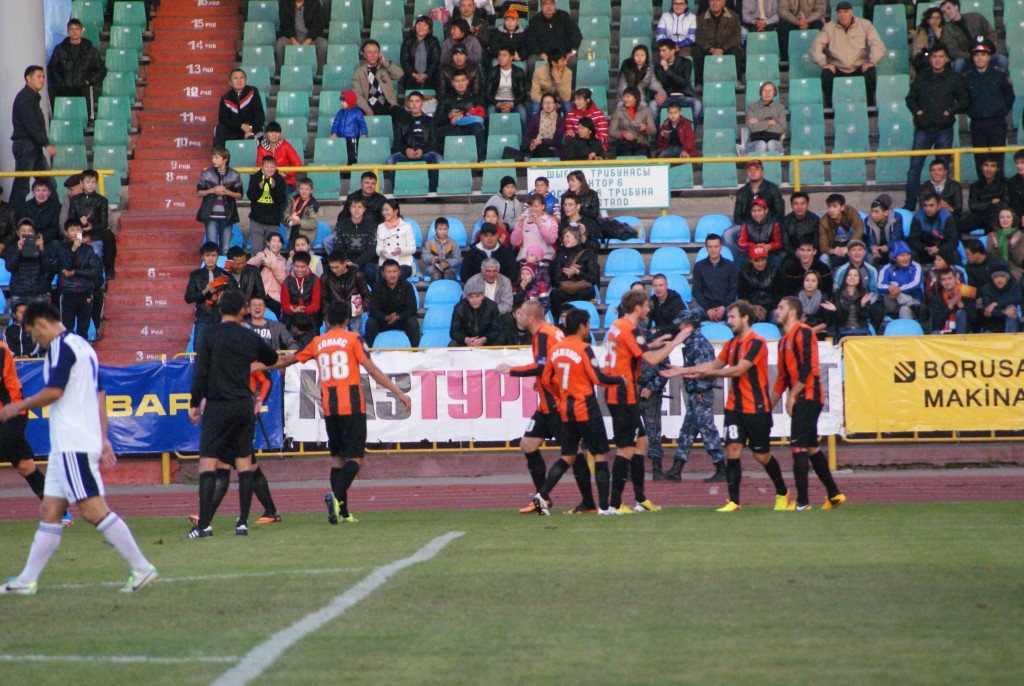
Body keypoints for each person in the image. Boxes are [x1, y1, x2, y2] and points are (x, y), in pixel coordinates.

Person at [0, 301, 157, 593]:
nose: (35, 339)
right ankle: (26, 580)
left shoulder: (62, 347)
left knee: (94, 510)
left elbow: (54, 391)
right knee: (50, 511)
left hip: (73, 444)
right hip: (69, 445)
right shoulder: (83, 346)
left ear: (41, 323)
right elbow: (100, 394)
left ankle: (141, 567)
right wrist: (104, 437)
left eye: (33, 332)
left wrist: (18, 406)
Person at [260, 301, 411, 524]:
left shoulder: (317, 342)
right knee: (356, 459)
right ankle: (335, 496)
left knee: (338, 459)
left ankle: (343, 512)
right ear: (347, 320)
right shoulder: (353, 339)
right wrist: (399, 392)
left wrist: (259, 366)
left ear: (327, 321)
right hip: (352, 405)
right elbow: (371, 369)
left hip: (329, 407)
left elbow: (287, 360)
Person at [662, 300, 792, 512]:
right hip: (734, 407)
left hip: (756, 407)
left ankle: (782, 491)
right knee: (732, 449)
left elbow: (737, 370)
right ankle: (734, 501)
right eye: (728, 317)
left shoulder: (756, 343)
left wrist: (705, 373)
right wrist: (682, 371)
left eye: (732, 317)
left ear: (745, 318)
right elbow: (713, 364)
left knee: (761, 455)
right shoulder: (732, 344)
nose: (728, 321)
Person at [187, 290, 281, 538]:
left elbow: (200, 371)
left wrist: (194, 402)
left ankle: (204, 525)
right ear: (243, 310)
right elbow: (271, 357)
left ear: (220, 310)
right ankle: (242, 523)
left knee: (208, 463)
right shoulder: (248, 335)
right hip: (242, 405)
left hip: (217, 405)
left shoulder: (209, 334)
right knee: (244, 463)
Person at [497, 300, 596, 514]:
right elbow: (554, 363)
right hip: (547, 402)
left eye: (521, 313)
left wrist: (512, 370)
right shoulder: (552, 331)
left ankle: (583, 502)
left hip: (555, 403)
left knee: (572, 453)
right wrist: (546, 380)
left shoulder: (543, 334)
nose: (518, 316)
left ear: (531, 317)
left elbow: (541, 365)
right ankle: (545, 499)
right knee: (528, 444)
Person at [530, 308, 626, 516]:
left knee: (567, 456)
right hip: (585, 407)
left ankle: (541, 495)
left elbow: (545, 379)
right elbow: (598, 378)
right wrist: (620, 380)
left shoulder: (556, 349)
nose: (589, 328)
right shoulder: (584, 349)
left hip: (566, 409)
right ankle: (603, 507)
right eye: (588, 324)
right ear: (582, 326)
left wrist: (560, 394)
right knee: (600, 454)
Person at [603, 290, 685, 513]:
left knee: (641, 442)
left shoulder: (618, 325)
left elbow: (633, 350)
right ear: (637, 307)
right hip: (623, 394)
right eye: (647, 305)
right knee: (625, 449)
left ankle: (640, 499)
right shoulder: (630, 329)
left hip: (618, 392)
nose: (649, 309)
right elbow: (651, 360)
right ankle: (615, 503)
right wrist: (676, 342)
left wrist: (654, 343)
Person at [770, 297, 845, 510]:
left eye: (781, 307)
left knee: (798, 446)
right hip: (801, 397)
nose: (777, 311)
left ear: (792, 311)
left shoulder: (804, 332)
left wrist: (792, 395)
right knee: (811, 447)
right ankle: (834, 494)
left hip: (809, 396)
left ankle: (802, 502)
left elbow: (808, 368)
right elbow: (782, 378)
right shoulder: (783, 341)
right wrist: (768, 407)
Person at [663, 310, 727, 482]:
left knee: (707, 431)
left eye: (682, 324)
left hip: (700, 394)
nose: (679, 327)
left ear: (689, 326)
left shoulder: (699, 345)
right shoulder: (693, 343)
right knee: (687, 432)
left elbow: (705, 371)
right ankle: (676, 469)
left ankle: (721, 468)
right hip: (696, 393)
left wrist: (700, 390)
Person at [902, 44, 966, 212]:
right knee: (914, 169)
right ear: (930, 59)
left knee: (942, 169)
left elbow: (963, 100)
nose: (937, 60)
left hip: (944, 129)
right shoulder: (921, 76)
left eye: (941, 56)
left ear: (946, 59)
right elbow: (910, 98)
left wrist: (950, 111)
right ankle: (910, 205)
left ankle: (943, 205)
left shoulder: (954, 78)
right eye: (934, 56)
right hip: (923, 129)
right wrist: (918, 112)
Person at [810, 1, 884, 108]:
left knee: (870, 71)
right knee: (826, 73)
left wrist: (872, 61)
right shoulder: (829, 27)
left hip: (858, 65)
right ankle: (830, 106)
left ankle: (869, 105)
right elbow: (816, 45)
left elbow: (876, 43)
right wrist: (823, 63)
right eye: (840, 12)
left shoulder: (865, 24)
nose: (842, 15)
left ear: (851, 13)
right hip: (838, 67)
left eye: (845, 12)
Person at [963, 38, 1015, 180]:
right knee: (980, 160)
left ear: (989, 57)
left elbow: (1009, 96)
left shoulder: (1000, 74)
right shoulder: (967, 77)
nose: (980, 58)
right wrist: (973, 111)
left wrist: (1001, 111)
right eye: (976, 55)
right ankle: (982, 190)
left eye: (983, 55)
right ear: (973, 57)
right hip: (977, 123)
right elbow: (964, 99)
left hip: (997, 123)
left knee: (997, 159)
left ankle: (1000, 190)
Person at [9, 66, 56, 214]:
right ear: (28, 78)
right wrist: (46, 143)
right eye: (39, 76)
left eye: (43, 77)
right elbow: (31, 125)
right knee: (22, 186)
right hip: (26, 146)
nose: (42, 80)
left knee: (49, 182)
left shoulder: (31, 98)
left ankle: (54, 214)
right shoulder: (26, 98)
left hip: (32, 147)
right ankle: (14, 218)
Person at [723, 160, 784, 257]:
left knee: (783, 229)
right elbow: (737, 217)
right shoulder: (742, 192)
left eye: (756, 169)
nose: (753, 171)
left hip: (769, 226)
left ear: (762, 172)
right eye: (750, 170)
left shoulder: (773, 189)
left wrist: (766, 225)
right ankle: (737, 259)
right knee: (728, 234)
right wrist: (748, 226)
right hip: (748, 226)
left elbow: (779, 213)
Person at [47, 18, 106, 119]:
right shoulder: (60, 49)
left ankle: (89, 119)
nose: (74, 31)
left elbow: (101, 69)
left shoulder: (90, 50)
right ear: (67, 31)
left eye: (77, 29)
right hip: (64, 87)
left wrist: (89, 81)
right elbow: (53, 68)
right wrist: (60, 82)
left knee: (87, 92)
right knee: (53, 93)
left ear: (82, 31)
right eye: (72, 29)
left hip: (82, 87)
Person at [52, 219, 101, 339]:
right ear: (66, 232)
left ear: (82, 231)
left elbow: (94, 271)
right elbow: (65, 266)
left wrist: (74, 272)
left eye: (78, 229)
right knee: (67, 330)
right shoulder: (61, 248)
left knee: (83, 329)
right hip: (68, 292)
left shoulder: (88, 249)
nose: (75, 232)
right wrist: (73, 250)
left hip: (85, 291)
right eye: (72, 230)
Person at [386, 92, 442, 195]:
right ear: (408, 104)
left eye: (417, 101)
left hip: (425, 154)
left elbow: (434, 143)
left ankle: (433, 192)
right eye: (411, 101)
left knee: (438, 159)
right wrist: (406, 150)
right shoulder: (401, 122)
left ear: (422, 103)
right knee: (390, 160)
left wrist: (422, 150)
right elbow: (397, 143)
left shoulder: (430, 121)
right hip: (406, 154)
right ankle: (397, 191)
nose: (414, 104)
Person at [196, 146, 244, 255]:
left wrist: (227, 192)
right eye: (213, 157)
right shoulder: (206, 174)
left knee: (225, 248)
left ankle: (223, 266)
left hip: (227, 216)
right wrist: (212, 190)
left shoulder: (234, 175)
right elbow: (198, 193)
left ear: (225, 159)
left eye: (217, 157)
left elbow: (240, 195)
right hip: (211, 216)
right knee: (212, 247)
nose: (214, 160)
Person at [870, 241, 924, 332]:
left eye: (908, 255)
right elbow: (879, 284)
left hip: (914, 299)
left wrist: (897, 290)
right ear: (895, 258)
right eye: (902, 256)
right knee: (892, 286)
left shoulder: (916, 266)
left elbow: (915, 283)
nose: (906, 258)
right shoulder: (887, 268)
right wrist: (889, 288)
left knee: (904, 309)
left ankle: (906, 335)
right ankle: (911, 305)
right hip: (892, 302)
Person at [939, 0, 1006, 74]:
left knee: (1002, 60)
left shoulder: (976, 17)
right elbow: (954, 51)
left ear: (956, 7)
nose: (947, 12)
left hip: (985, 54)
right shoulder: (947, 30)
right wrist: (973, 55)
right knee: (958, 64)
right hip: (967, 59)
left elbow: (992, 33)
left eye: (949, 8)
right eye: (944, 12)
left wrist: (983, 48)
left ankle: (1004, 80)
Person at [434, 69, 487, 162]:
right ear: (452, 83)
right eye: (457, 81)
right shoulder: (446, 98)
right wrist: (448, 116)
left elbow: (481, 115)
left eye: (462, 80)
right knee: (437, 132)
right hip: (452, 128)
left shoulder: (475, 98)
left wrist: (463, 115)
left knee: (477, 127)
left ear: (467, 81)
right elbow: (436, 120)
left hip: (469, 127)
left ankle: (480, 161)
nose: (460, 84)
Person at [366, 259, 420, 347]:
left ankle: (415, 351)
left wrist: (398, 317)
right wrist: (386, 317)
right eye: (389, 272)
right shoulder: (377, 287)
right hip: (383, 320)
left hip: (401, 320)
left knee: (413, 322)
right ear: (383, 273)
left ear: (399, 272)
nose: (392, 275)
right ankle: (370, 352)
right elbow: (373, 310)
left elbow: (412, 309)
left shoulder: (407, 286)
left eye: (395, 271)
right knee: (370, 323)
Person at [548, 227, 599, 320]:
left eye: (567, 236)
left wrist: (578, 272)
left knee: (585, 293)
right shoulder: (560, 255)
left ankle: (579, 320)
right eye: (563, 237)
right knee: (554, 294)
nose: (565, 239)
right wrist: (568, 273)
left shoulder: (588, 254)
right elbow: (556, 280)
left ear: (576, 237)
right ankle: (560, 321)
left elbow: (594, 277)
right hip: (566, 288)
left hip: (583, 288)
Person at [186, 242, 230, 347]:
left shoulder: (225, 275)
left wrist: (222, 297)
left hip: (221, 317)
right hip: (202, 317)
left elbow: (232, 297)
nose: (210, 258)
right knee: (198, 348)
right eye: (207, 255)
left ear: (218, 256)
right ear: (202, 257)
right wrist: (204, 292)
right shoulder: (195, 275)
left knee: (221, 348)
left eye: (213, 255)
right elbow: (188, 298)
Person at [3, 219, 54, 307]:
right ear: (18, 233)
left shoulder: (41, 247)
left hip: (38, 291)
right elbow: (10, 267)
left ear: (34, 233)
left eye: (29, 231)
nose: (26, 234)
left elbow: (47, 268)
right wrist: (19, 250)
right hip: (18, 292)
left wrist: (41, 250)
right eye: (23, 231)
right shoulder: (11, 248)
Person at [693, 0, 744, 87]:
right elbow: (699, 38)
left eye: (717, 1)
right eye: (712, 1)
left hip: (726, 49)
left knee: (736, 51)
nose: (714, 3)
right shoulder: (701, 18)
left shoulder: (733, 16)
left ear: (723, 2)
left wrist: (723, 49)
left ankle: (737, 80)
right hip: (709, 49)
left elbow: (736, 37)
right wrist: (711, 49)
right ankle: (699, 82)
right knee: (697, 51)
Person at [351, 40, 405, 121]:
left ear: (379, 54)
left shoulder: (385, 68)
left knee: (401, 113)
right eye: (369, 52)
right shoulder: (358, 72)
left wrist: (385, 63)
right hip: (369, 104)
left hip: (387, 105)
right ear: (364, 55)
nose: (372, 55)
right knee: (356, 115)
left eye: (375, 52)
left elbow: (399, 74)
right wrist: (367, 109)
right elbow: (357, 95)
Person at [320, 249, 370, 335]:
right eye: (331, 267)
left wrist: (363, 307)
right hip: (334, 313)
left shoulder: (357, 275)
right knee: (331, 337)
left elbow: (366, 295)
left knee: (355, 336)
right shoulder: (326, 277)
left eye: (336, 267)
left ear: (345, 263)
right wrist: (327, 315)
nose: (334, 270)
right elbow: (324, 299)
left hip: (353, 312)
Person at [653, 39, 702, 126]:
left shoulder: (686, 63)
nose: (661, 54)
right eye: (660, 51)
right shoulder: (658, 67)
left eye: (664, 51)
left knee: (697, 104)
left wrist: (667, 70)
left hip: (684, 96)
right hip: (667, 98)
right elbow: (661, 84)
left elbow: (684, 82)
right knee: (652, 106)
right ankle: (659, 133)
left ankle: (691, 131)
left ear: (672, 51)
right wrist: (658, 95)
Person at [691, 234, 739, 321]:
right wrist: (708, 309)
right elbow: (696, 291)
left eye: (716, 246)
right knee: (689, 315)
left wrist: (723, 307)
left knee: (740, 315)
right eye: (710, 247)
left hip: (726, 307)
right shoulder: (699, 266)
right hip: (704, 308)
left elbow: (734, 289)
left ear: (721, 247)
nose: (713, 250)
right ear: (706, 247)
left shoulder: (730, 266)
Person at [523, 0, 582, 71]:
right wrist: (542, 55)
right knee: (532, 61)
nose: (548, 6)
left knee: (573, 60)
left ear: (554, 5)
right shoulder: (534, 21)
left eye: (551, 3)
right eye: (545, 4)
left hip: (563, 55)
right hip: (543, 55)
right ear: (541, 6)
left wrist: (572, 52)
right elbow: (531, 41)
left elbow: (576, 35)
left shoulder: (564, 16)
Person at [214, 69, 265, 147]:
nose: (239, 80)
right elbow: (223, 120)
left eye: (241, 78)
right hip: (235, 130)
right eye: (235, 78)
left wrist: (250, 128)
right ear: (230, 82)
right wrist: (240, 125)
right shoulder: (225, 98)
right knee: (220, 129)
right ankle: (221, 154)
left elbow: (260, 117)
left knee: (251, 138)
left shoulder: (252, 92)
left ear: (245, 80)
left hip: (253, 129)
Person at [246, 157, 287, 254]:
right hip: (257, 220)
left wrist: (273, 188)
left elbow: (281, 199)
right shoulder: (255, 178)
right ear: (262, 167)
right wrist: (259, 188)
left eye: (272, 167)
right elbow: (251, 196)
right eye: (267, 167)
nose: (269, 169)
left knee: (271, 251)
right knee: (256, 250)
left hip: (273, 221)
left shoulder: (279, 179)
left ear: (276, 167)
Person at [275, 0, 328, 73]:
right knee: (280, 44)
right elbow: (285, 25)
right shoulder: (285, 4)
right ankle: (283, 73)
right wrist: (293, 40)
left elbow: (317, 25)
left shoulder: (315, 3)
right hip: (291, 40)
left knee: (323, 44)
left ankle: (319, 73)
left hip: (311, 40)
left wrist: (307, 41)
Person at [909, 192, 961, 265]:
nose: (927, 209)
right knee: (912, 253)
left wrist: (939, 249)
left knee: (955, 253)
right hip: (924, 251)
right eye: (925, 205)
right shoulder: (918, 216)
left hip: (942, 251)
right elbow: (913, 240)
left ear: (939, 206)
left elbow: (953, 241)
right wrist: (925, 248)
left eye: (931, 205)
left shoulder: (947, 217)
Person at [617, 45, 666, 120]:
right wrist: (631, 98)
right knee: (621, 107)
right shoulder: (626, 65)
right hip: (624, 98)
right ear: (633, 56)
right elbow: (623, 86)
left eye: (642, 55)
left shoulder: (649, 68)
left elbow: (654, 83)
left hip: (640, 99)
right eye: (637, 55)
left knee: (643, 106)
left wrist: (662, 93)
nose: (639, 58)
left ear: (646, 57)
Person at [962, 157, 1009, 234]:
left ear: (998, 168)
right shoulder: (975, 186)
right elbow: (973, 206)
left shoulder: (1005, 184)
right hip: (979, 217)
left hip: (996, 217)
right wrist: (991, 203)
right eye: (986, 165)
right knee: (958, 225)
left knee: (992, 220)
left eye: (993, 166)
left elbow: (1005, 204)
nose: (989, 169)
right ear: (981, 167)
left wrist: (983, 205)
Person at [486, 46, 529, 129]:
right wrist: (498, 104)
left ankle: (524, 136)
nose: (501, 58)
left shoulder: (519, 72)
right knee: (490, 111)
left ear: (511, 58)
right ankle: (490, 135)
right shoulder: (492, 72)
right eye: (499, 55)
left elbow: (523, 94)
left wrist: (512, 104)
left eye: (504, 55)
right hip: (496, 101)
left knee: (522, 113)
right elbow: (487, 94)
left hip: (514, 101)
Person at [817, 193, 864, 268]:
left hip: (853, 246)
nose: (831, 210)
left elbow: (859, 228)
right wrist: (834, 251)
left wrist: (849, 247)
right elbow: (823, 246)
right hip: (835, 249)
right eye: (829, 207)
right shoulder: (824, 221)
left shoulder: (850, 212)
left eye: (835, 206)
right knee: (824, 258)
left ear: (842, 207)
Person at [449, 281, 502, 346]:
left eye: (477, 296)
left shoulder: (492, 306)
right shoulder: (459, 308)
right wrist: (466, 340)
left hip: (486, 339)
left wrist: (484, 339)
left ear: (482, 296)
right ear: (467, 298)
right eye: (471, 297)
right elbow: (454, 331)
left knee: (499, 340)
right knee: (453, 344)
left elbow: (496, 328)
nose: (474, 300)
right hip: (466, 340)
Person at [738, 244, 781, 322]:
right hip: (751, 308)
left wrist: (766, 309)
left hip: (771, 308)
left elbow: (779, 295)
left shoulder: (775, 271)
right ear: (751, 260)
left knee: (777, 315)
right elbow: (742, 296)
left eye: (763, 260)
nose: (760, 263)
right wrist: (753, 307)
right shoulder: (744, 273)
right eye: (757, 261)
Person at [375, 199, 417, 281]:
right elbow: (378, 248)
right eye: (383, 210)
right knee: (383, 278)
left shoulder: (406, 226)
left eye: (387, 210)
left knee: (396, 277)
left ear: (395, 211)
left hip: (403, 263)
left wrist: (400, 250)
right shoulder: (381, 227)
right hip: (386, 263)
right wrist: (381, 252)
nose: (384, 212)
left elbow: (412, 248)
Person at [255, 121, 303, 192]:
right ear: (266, 134)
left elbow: (298, 164)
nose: (274, 134)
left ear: (280, 134)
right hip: (267, 181)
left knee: (279, 194)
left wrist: (286, 174)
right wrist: (275, 174)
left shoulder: (286, 146)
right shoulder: (261, 149)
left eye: (277, 132)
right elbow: (260, 167)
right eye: (271, 132)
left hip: (286, 182)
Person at [609, 87, 656, 158]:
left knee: (640, 155)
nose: (625, 99)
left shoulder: (646, 110)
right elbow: (612, 132)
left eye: (628, 97)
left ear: (635, 98)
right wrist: (623, 134)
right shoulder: (618, 111)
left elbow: (653, 130)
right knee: (626, 155)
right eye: (624, 97)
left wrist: (645, 128)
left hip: (641, 143)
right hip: (624, 144)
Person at [829, 267, 874, 341]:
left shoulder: (863, 294)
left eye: (855, 275)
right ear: (845, 278)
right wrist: (835, 310)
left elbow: (864, 318)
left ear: (859, 279)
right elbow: (838, 320)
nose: (852, 277)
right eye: (849, 275)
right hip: (843, 329)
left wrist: (862, 305)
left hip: (860, 329)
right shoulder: (837, 295)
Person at [511, 194, 558, 263]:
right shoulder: (523, 220)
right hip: (525, 258)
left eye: (536, 206)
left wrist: (539, 225)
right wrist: (520, 225)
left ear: (543, 206)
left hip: (544, 258)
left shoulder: (550, 221)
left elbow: (551, 240)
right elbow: (515, 242)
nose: (533, 209)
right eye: (531, 206)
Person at [928, 268, 976, 334]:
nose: (947, 282)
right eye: (943, 279)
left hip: (964, 334)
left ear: (956, 279)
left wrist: (961, 305)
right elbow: (936, 324)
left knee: (961, 312)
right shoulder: (937, 298)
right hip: (943, 332)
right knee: (934, 333)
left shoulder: (967, 292)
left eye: (949, 278)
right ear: (940, 282)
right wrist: (950, 306)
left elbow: (974, 320)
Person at [401, 15, 442, 91]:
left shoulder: (434, 41)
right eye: (419, 24)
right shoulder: (408, 41)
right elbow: (404, 60)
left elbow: (436, 61)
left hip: (430, 77)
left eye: (424, 25)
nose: (421, 27)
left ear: (429, 29)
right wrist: (414, 74)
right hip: (411, 77)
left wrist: (427, 75)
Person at [281, 252, 322, 327]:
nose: (299, 270)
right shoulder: (286, 281)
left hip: (311, 320)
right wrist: (294, 309)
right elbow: (285, 304)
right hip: (291, 320)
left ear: (308, 265)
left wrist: (303, 311)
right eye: (296, 266)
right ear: (292, 265)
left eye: (303, 267)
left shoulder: (315, 280)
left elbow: (316, 303)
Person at [738, 198, 783, 266]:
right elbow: (741, 243)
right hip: (750, 254)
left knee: (777, 260)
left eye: (759, 210)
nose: (756, 214)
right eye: (754, 211)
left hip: (769, 254)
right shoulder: (746, 224)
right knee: (739, 261)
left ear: (766, 210)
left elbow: (779, 243)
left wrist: (768, 246)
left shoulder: (773, 224)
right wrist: (755, 247)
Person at [528, 49, 573, 116]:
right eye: (562, 61)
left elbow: (566, 97)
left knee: (567, 106)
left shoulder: (568, 72)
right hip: (543, 99)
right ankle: (534, 123)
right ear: (554, 63)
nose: (566, 63)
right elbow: (534, 95)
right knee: (535, 107)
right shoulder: (539, 71)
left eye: (565, 60)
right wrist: (550, 102)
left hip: (559, 99)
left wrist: (558, 81)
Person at [863, 194, 904, 267]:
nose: (873, 215)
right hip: (878, 248)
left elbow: (895, 239)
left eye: (876, 212)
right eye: (872, 211)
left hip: (892, 247)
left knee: (893, 254)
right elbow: (871, 238)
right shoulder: (868, 220)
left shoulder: (896, 218)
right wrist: (873, 248)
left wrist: (884, 248)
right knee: (869, 257)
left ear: (886, 213)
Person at [745, 81, 786, 154]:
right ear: (761, 92)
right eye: (765, 90)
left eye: (770, 91)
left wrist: (758, 123)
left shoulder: (780, 108)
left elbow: (781, 128)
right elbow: (752, 128)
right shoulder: (752, 108)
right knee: (761, 144)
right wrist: (770, 122)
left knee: (771, 144)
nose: (767, 93)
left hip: (775, 140)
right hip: (756, 141)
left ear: (774, 93)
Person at [779, 191, 819, 265]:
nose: (799, 207)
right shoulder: (785, 222)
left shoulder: (815, 220)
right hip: (793, 254)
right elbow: (785, 243)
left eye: (803, 203)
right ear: (791, 205)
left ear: (807, 204)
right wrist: (795, 252)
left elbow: (817, 241)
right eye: (796, 204)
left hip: (812, 253)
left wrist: (808, 252)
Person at [564, 89, 609, 154]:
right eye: (575, 99)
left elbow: (603, 136)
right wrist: (571, 136)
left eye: (579, 99)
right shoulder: (570, 115)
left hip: (595, 147)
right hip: (578, 149)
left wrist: (591, 146)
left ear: (587, 100)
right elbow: (568, 138)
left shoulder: (599, 114)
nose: (576, 102)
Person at [329, 91, 368, 165]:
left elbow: (362, 125)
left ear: (349, 101)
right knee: (341, 155)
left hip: (353, 139)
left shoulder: (357, 113)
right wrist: (334, 133)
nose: (341, 103)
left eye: (343, 101)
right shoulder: (340, 112)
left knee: (352, 156)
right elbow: (336, 124)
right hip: (341, 138)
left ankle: (352, 169)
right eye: (341, 101)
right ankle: (343, 170)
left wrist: (364, 134)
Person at [522, 93, 566, 159]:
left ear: (555, 105)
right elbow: (526, 136)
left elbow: (557, 141)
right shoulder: (535, 118)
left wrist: (541, 142)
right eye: (545, 103)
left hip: (552, 150)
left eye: (550, 102)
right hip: (535, 149)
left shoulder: (560, 120)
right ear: (542, 105)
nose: (548, 105)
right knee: (539, 149)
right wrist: (531, 143)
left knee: (543, 148)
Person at [978, 267, 1021, 333]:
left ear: (1007, 278)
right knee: (1009, 311)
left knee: (1011, 308)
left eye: (1003, 277)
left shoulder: (1014, 286)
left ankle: (1010, 337)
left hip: (1013, 321)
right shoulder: (986, 289)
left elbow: (1017, 299)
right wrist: (1004, 312)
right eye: (996, 277)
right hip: (992, 325)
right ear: (992, 278)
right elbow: (986, 312)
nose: (999, 280)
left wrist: (996, 304)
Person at [987, 207, 1024, 280]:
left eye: (1008, 217)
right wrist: (995, 247)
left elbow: (1019, 262)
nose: (1005, 220)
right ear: (998, 219)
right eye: (1002, 217)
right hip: (996, 270)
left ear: (1013, 219)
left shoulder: (1020, 235)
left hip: (1014, 271)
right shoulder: (992, 235)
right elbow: (990, 260)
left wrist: (1012, 246)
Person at [23, 179, 62, 246]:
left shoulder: (56, 207)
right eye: (38, 190)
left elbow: (55, 230)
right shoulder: (26, 206)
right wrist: (33, 239)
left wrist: (39, 238)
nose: (41, 193)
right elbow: (23, 227)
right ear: (33, 192)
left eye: (44, 190)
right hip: (30, 240)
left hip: (50, 241)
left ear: (49, 192)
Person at [282, 177, 319, 246]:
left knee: (301, 252)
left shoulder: (313, 205)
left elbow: (313, 223)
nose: (304, 191)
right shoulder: (293, 200)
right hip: (292, 234)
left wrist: (299, 222)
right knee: (291, 251)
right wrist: (288, 218)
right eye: (302, 189)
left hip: (306, 238)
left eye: (307, 189)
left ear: (311, 191)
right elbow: (286, 212)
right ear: (298, 189)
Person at [911, 7, 945, 75]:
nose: (935, 20)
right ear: (928, 20)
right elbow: (918, 49)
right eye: (933, 18)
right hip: (925, 56)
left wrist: (939, 37)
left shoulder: (946, 30)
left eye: (938, 18)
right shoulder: (921, 31)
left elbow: (945, 49)